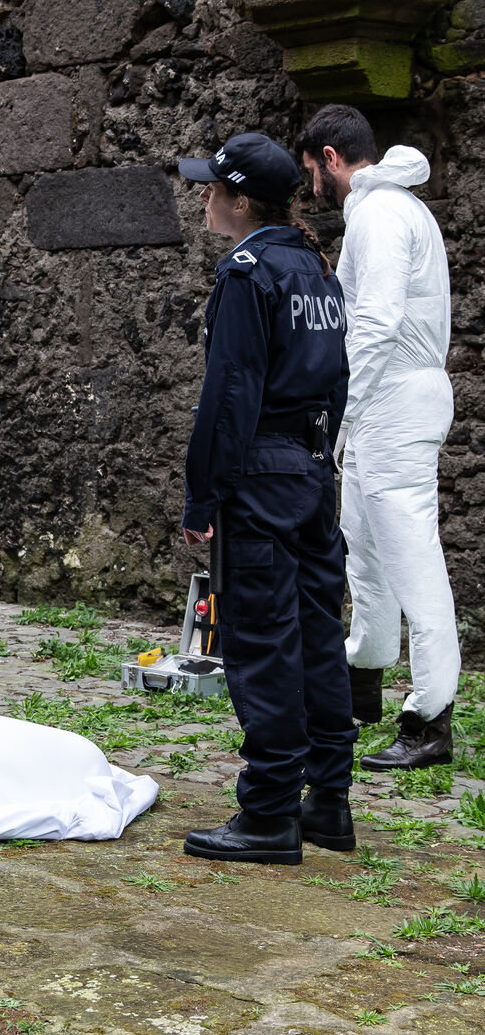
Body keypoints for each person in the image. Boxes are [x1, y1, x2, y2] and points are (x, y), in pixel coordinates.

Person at [178, 133, 357, 864]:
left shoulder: (248, 274)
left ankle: (270, 814)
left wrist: (202, 497)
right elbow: (338, 383)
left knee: (261, 642)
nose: (202, 198)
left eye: (210, 187)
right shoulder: (316, 272)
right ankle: (330, 804)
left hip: (260, 473)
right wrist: (316, 463)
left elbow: (228, 398)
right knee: (318, 637)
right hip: (313, 472)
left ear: (241, 200)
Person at [297, 105, 459, 771]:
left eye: (311, 172)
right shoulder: (381, 210)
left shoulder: (383, 215)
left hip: (394, 402)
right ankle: (361, 681)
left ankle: (429, 718)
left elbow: (379, 320)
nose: (310, 188)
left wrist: (342, 410)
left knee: (412, 561)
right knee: (362, 548)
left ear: (332, 159)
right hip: (381, 405)